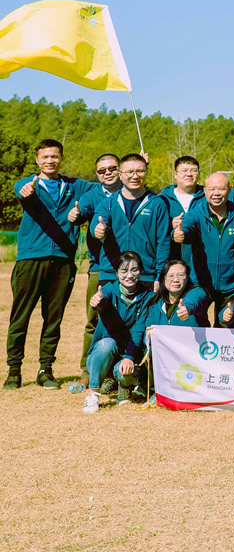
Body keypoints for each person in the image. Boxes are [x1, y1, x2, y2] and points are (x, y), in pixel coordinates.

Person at [6, 138, 87, 390]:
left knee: (53, 319)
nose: (50, 160)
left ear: (61, 158)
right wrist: (26, 192)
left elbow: (110, 184)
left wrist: (138, 165)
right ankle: (14, 370)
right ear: (37, 160)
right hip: (30, 259)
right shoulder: (27, 184)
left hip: (63, 261)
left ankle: (46, 369)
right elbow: (22, 192)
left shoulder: (75, 186)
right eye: (45, 157)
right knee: (20, 317)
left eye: (54, 156)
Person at [73, 153, 124, 380]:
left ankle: (124, 369)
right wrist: (75, 215)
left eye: (112, 168)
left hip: (132, 269)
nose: (107, 173)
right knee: (94, 318)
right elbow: (80, 213)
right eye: (102, 171)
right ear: (96, 174)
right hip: (100, 267)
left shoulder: (133, 192)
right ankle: (88, 370)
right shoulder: (91, 195)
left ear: (120, 169)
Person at [83, 251, 154, 412]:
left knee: (126, 372)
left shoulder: (148, 297)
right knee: (106, 344)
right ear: (116, 273)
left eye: (134, 270)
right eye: (124, 271)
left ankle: (125, 387)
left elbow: (139, 330)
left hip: (132, 355)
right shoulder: (109, 290)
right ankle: (93, 394)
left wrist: (129, 357)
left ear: (141, 271)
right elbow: (103, 301)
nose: (129, 275)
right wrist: (98, 302)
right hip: (106, 354)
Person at [93, 153, 171, 290]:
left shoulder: (157, 204)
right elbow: (97, 222)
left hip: (146, 275)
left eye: (140, 171)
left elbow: (163, 242)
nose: (135, 176)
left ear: (146, 172)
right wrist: (98, 229)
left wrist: (160, 275)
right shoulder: (109, 203)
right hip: (112, 275)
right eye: (129, 172)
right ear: (120, 175)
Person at [177, 173, 234, 307]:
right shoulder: (196, 213)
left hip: (231, 286)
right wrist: (178, 233)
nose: (216, 193)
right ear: (205, 191)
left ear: (229, 190)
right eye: (212, 189)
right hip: (200, 284)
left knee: (229, 317)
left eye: (221, 189)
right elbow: (186, 227)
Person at [145, 258, 209, 330]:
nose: (175, 280)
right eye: (171, 276)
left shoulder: (197, 292)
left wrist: (187, 308)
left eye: (181, 275)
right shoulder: (155, 303)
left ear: (187, 278)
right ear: (163, 279)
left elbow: (195, 299)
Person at [160, 156, 205, 241]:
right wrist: (169, 225)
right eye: (184, 171)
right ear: (175, 174)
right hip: (174, 248)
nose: (189, 174)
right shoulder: (162, 200)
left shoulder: (208, 197)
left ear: (199, 173)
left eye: (194, 170)